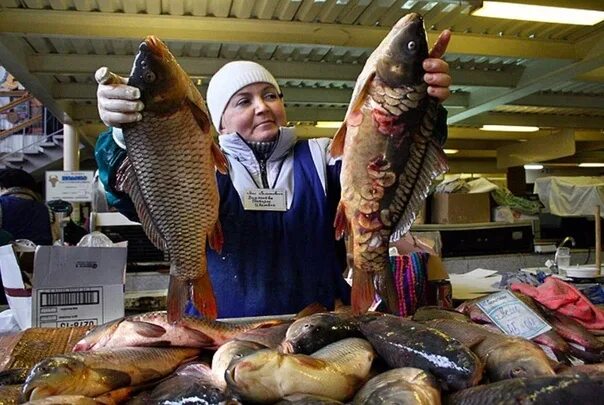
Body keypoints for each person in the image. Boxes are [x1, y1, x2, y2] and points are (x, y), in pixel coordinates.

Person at [94, 31, 453, 318]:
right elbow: (130, 195)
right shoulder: (196, 164)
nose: (262, 107)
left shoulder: (325, 155)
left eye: (270, 95)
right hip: (221, 332)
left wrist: (422, 108)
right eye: (243, 101)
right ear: (215, 120)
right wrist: (123, 136)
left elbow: (391, 170)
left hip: (321, 329)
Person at [0, 168, 53, 245]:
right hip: (42, 255)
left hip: (7, 255)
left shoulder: (2, 203)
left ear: (2, 187)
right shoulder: (47, 209)